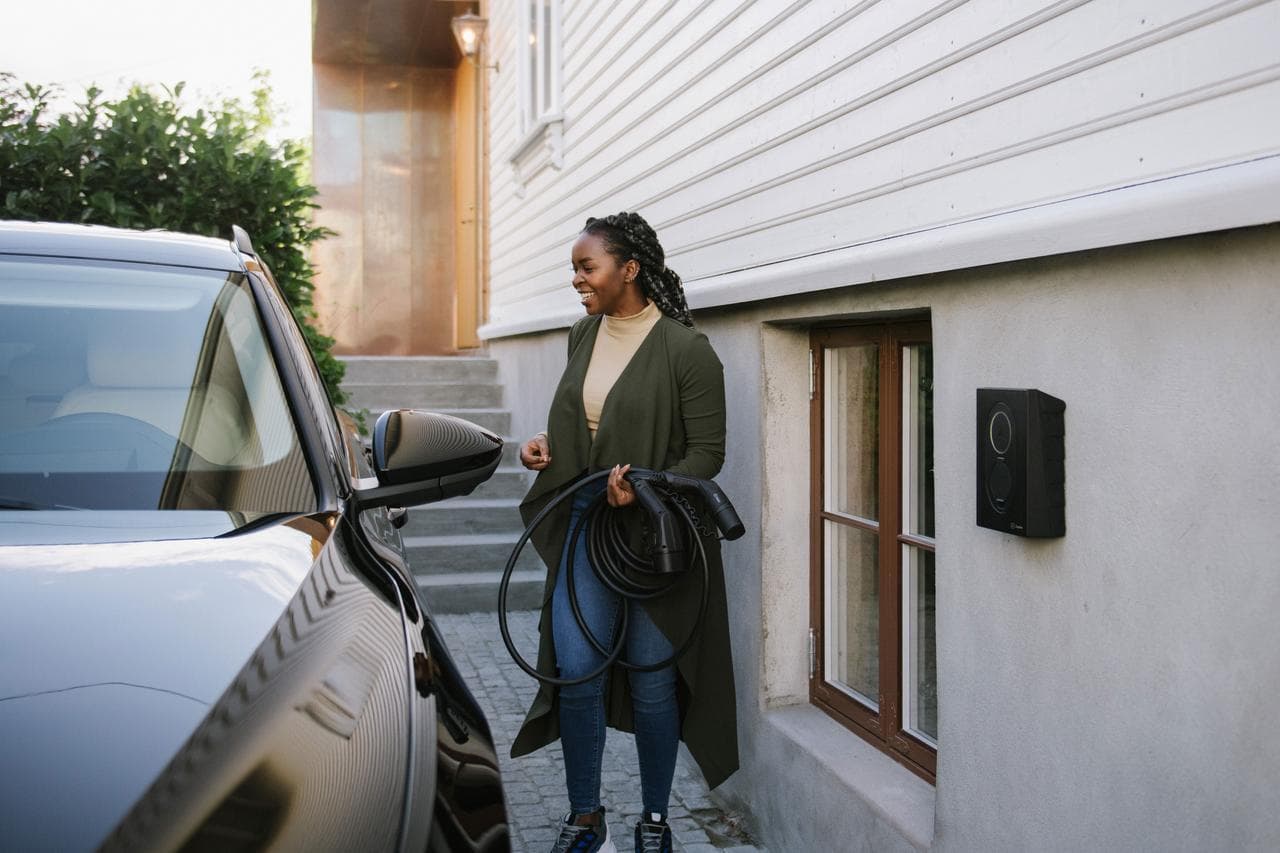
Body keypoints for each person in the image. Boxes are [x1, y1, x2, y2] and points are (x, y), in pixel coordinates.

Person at [513, 212, 738, 853]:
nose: (578, 281)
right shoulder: (581, 336)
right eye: (576, 270)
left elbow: (708, 455)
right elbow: (583, 429)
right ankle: (587, 817)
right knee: (577, 671)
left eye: (588, 268)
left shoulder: (686, 350)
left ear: (629, 269)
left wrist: (644, 486)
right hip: (588, 524)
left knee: (651, 677)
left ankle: (655, 821)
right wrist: (543, 447)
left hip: (656, 538)